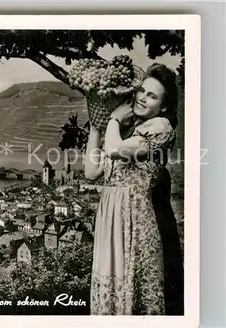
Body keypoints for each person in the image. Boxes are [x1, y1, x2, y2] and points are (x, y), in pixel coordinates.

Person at [85, 63, 182, 315]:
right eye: (141, 91)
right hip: (111, 217)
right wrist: (98, 122)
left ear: (164, 106)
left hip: (133, 219)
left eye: (152, 96)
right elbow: (92, 171)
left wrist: (114, 117)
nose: (142, 98)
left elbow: (115, 151)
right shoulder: (125, 131)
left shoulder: (160, 127)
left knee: (131, 290)